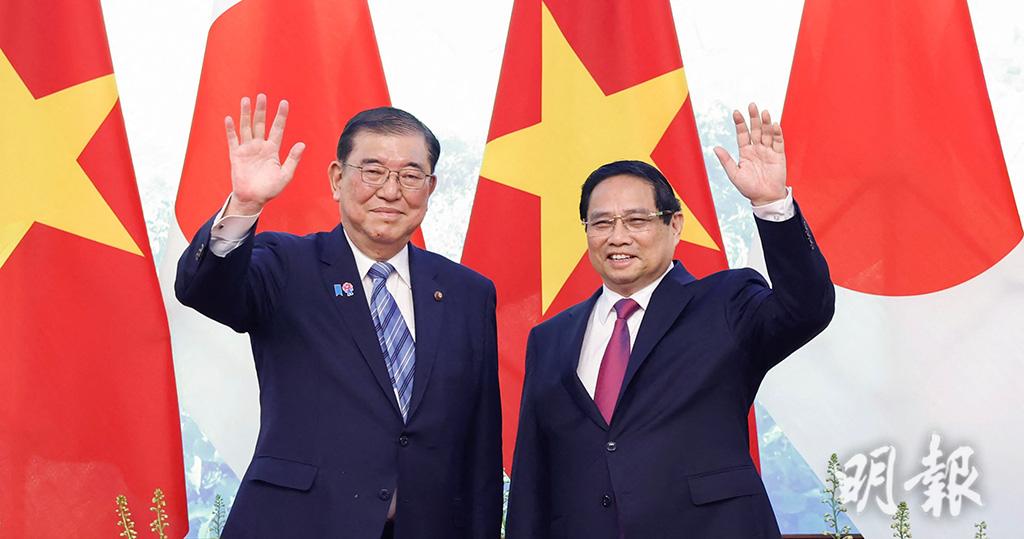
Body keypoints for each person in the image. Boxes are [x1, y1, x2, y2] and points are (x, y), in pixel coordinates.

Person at [175, 94, 502, 538]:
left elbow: (481, 447)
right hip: (299, 526)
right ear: (336, 178)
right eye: (372, 171)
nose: (390, 191)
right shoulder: (287, 265)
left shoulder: (469, 293)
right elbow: (203, 289)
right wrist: (245, 205)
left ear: (429, 188)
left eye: (410, 175)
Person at [505, 104, 835, 538]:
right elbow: (532, 477)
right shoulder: (550, 338)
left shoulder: (725, 302)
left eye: (637, 220)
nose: (618, 237)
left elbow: (807, 308)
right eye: (601, 223)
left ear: (674, 225)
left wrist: (772, 204)